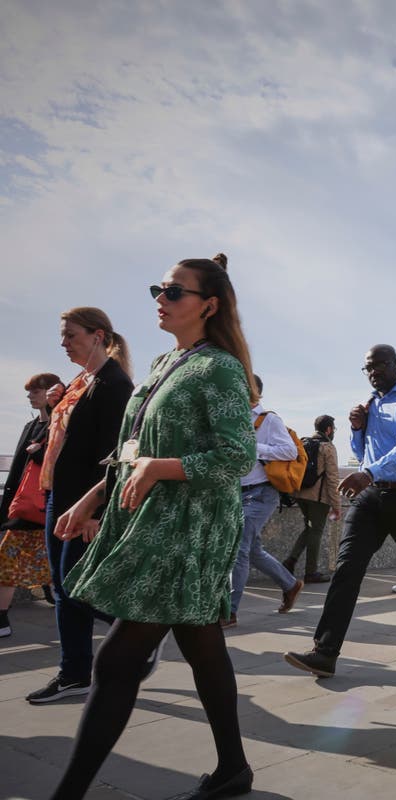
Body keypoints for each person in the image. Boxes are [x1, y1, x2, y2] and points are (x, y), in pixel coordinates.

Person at [49, 253, 259, 799]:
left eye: (173, 292)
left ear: (208, 305)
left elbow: (237, 456)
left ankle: (67, 793)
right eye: (158, 291)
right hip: (151, 520)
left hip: (187, 531)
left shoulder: (220, 368)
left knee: (116, 661)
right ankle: (234, 768)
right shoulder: (169, 364)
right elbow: (133, 446)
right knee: (202, 646)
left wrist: (161, 468)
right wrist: (94, 496)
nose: (160, 301)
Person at [284, 345, 396, 678]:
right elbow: (361, 452)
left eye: (379, 365)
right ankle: (324, 652)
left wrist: (369, 472)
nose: (373, 372)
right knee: (347, 568)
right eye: (367, 367)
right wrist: (356, 428)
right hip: (371, 496)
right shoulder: (369, 405)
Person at [27, 308, 135, 705]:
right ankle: (75, 673)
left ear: (97, 336)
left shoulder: (114, 384)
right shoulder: (80, 382)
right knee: (63, 587)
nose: (63, 343)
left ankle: (137, 632)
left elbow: (114, 454)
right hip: (60, 493)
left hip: (82, 500)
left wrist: (95, 512)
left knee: (73, 587)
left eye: (70, 335)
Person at [226, 375, 304, 627]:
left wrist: (255, 449)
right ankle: (290, 584)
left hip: (261, 493)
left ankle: (229, 611)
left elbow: (289, 450)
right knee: (253, 550)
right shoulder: (233, 421)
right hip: (236, 493)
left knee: (239, 548)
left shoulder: (268, 419)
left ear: (256, 392)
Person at [0, 373, 62, 638]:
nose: (30, 395)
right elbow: (16, 471)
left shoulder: (59, 426)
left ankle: (2, 621)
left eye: (35, 391)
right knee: (16, 562)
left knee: (7, 562)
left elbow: (64, 464)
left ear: (51, 393)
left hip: (44, 507)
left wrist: (39, 454)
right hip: (24, 509)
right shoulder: (30, 426)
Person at [283, 415, 341, 583]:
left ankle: (290, 561)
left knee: (309, 529)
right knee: (315, 531)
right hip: (318, 497)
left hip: (300, 494)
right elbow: (332, 478)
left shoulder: (303, 442)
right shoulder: (327, 447)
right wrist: (336, 505)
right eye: (333, 429)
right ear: (329, 429)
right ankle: (311, 572)